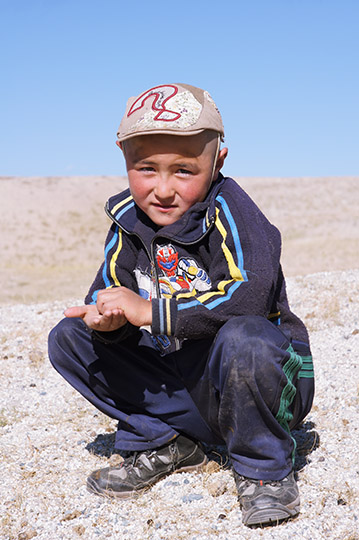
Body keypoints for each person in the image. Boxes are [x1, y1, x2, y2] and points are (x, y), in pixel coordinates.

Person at [48, 83, 314, 527]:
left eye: (184, 171)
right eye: (146, 169)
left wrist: (150, 312)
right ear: (125, 162)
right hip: (192, 385)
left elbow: (249, 295)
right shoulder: (129, 223)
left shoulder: (233, 212)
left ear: (217, 162)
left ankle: (265, 469)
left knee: (244, 336)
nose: (163, 189)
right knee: (70, 339)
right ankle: (171, 438)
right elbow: (112, 292)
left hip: (265, 380)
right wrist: (106, 318)